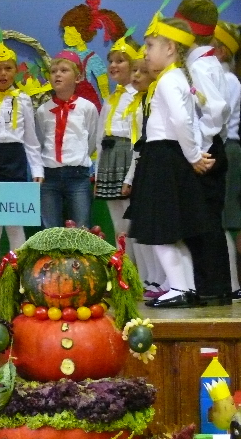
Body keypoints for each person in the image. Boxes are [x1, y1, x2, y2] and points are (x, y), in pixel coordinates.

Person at [129, 15, 214, 308]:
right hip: (172, 157)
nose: (145, 52)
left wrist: (194, 156)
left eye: (150, 45)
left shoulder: (167, 80)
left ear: (170, 48)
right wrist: (193, 153)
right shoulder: (176, 78)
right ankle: (186, 287)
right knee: (173, 233)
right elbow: (189, 121)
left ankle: (179, 288)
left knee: (160, 231)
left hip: (162, 159)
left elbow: (181, 121)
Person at [0, 28, 44, 300]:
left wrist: (37, 169)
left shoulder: (23, 100)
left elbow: (31, 141)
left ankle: (19, 279)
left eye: (8, 68)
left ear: (16, 70)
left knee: (16, 223)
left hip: (15, 160)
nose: (2, 73)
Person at [175, 0, 231, 305]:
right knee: (206, 220)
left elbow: (216, 109)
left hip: (205, 150)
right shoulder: (209, 63)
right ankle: (213, 287)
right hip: (211, 146)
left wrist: (200, 148)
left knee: (204, 222)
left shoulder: (198, 67)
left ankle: (212, 287)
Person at [122, 51, 168, 300]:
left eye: (143, 71)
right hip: (141, 167)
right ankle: (149, 278)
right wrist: (130, 177)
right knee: (138, 228)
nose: (137, 75)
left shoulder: (154, 100)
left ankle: (163, 279)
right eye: (135, 70)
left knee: (155, 227)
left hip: (155, 166)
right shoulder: (138, 103)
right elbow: (136, 147)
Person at [36, 51, 98, 228]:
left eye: (64, 70)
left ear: (77, 78)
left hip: (78, 176)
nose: (57, 74)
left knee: (81, 228)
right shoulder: (43, 110)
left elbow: (93, 139)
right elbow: (40, 141)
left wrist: (80, 157)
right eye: (53, 71)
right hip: (49, 177)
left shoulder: (87, 108)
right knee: (50, 230)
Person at [95, 32, 143, 264]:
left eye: (120, 61)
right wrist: (97, 173)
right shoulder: (111, 98)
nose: (113, 65)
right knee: (118, 225)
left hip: (128, 159)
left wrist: (130, 177)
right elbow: (100, 137)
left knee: (131, 223)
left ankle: (137, 272)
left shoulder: (138, 98)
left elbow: (138, 139)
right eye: (111, 61)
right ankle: (122, 268)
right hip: (109, 157)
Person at [212, 21, 241, 299]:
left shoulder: (227, 79)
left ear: (220, 50)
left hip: (225, 148)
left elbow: (218, 118)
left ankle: (232, 283)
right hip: (218, 147)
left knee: (221, 220)